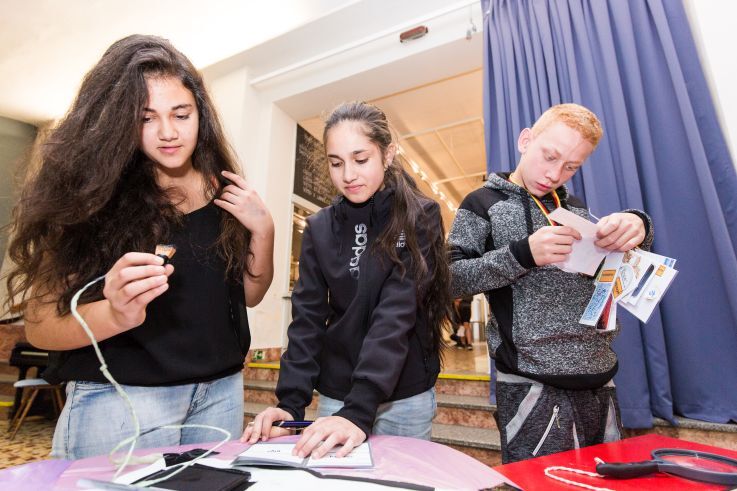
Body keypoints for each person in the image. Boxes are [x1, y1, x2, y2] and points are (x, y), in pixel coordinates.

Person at [4, 35, 275, 459]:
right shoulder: (89, 198)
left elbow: (248, 294)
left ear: (200, 113)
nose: (169, 132)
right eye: (146, 118)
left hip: (220, 393)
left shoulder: (222, 189)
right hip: (122, 401)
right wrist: (114, 314)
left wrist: (264, 232)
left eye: (181, 114)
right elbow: (41, 327)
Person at [242, 101, 453, 459]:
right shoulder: (320, 227)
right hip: (338, 392)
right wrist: (290, 404)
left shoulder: (420, 216)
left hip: (404, 393)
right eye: (336, 163)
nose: (348, 175)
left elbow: (396, 312)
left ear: (387, 154)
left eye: (361, 159)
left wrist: (360, 408)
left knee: (402, 479)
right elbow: (307, 319)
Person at [448, 103, 653, 463]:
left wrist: (638, 226)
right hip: (531, 381)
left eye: (571, 166)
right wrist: (522, 254)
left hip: (599, 374)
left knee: (605, 482)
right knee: (544, 483)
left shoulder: (575, 207)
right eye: (550, 156)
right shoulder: (482, 203)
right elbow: (450, 280)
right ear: (525, 140)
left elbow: (611, 272)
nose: (555, 174)